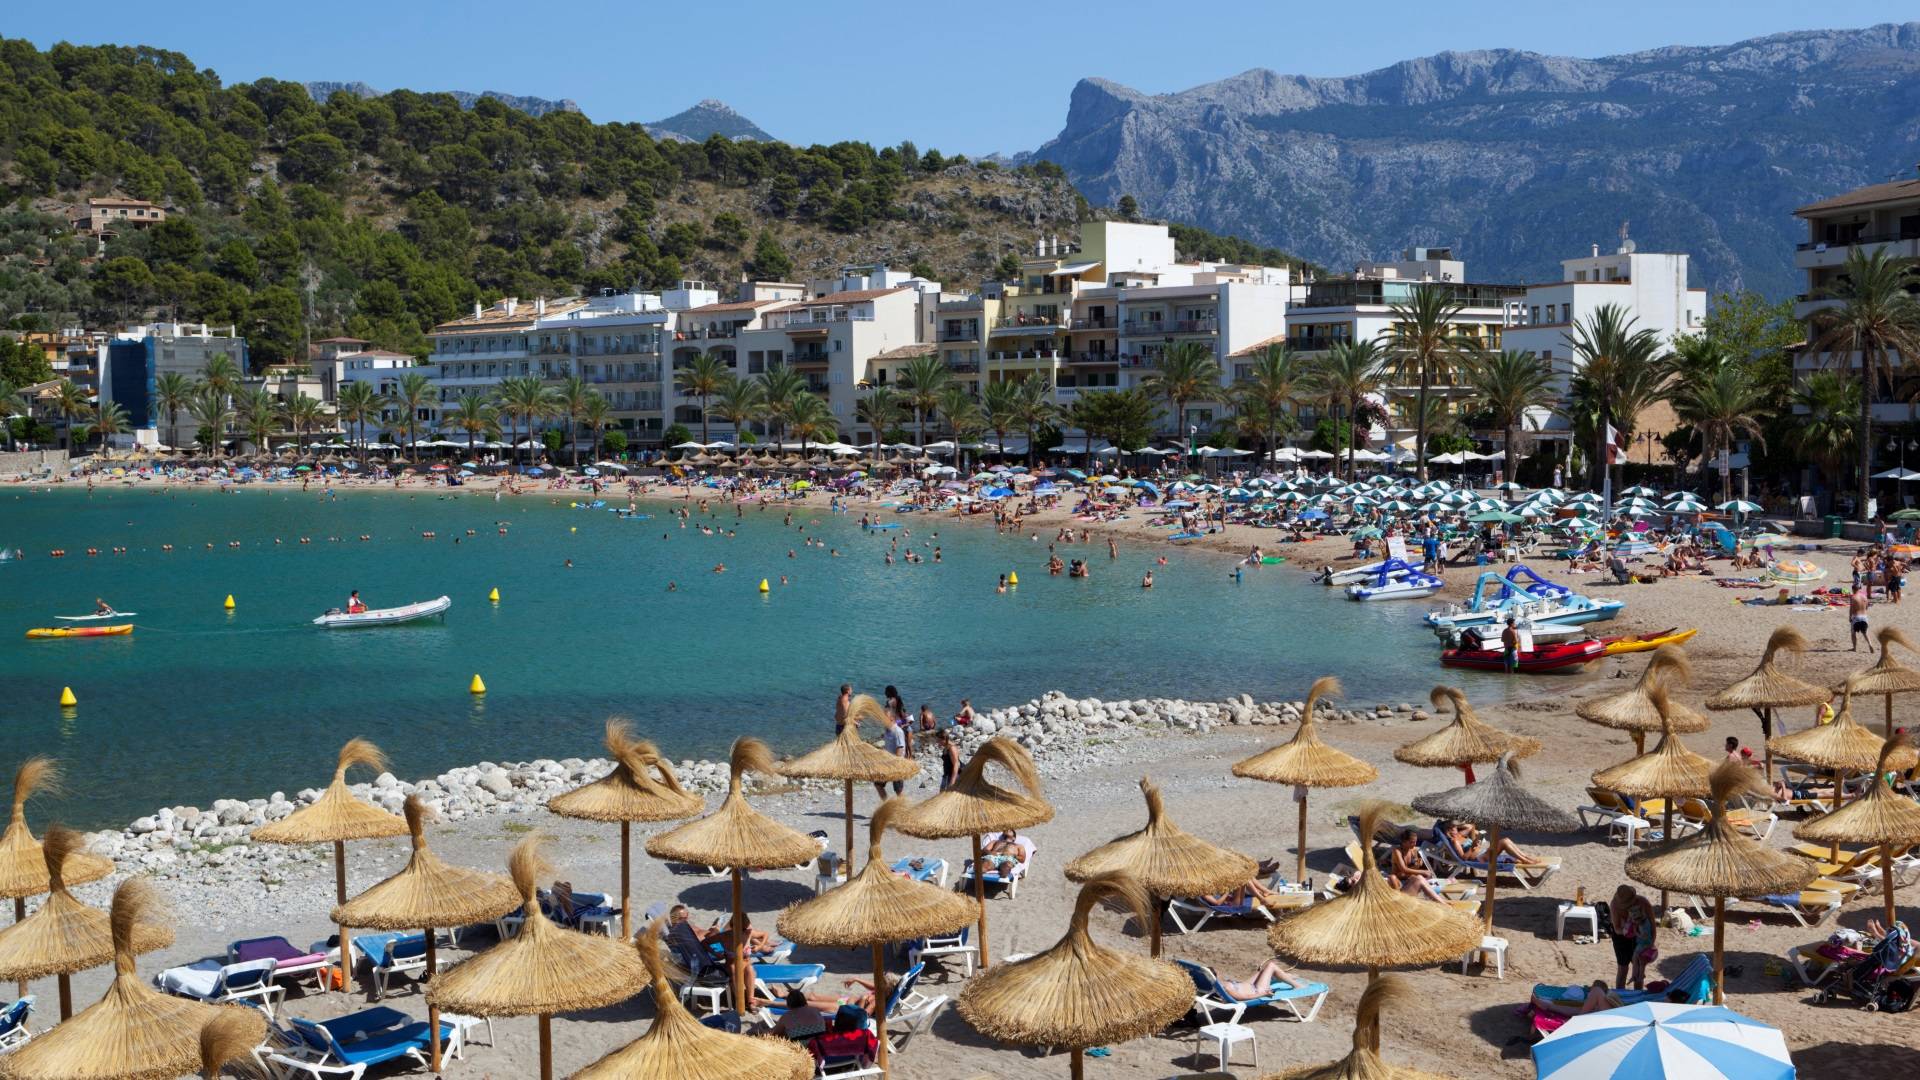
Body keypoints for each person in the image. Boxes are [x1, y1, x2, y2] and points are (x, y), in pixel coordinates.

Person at [1609, 885, 1658, 990]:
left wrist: (1651, 943)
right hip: (1621, 937)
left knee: (1639, 967)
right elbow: (1617, 928)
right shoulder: (1614, 905)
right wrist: (1626, 930)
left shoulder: (1643, 902)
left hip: (1641, 938)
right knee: (1623, 968)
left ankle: (1638, 994)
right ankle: (1621, 995)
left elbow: (1653, 926)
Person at [806, 1006, 880, 1067]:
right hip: (853, 1063)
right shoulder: (866, 1038)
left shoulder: (820, 1041)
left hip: (827, 1066)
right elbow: (867, 1063)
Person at [1388, 829, 1448, 902]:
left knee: (1422, 877)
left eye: (1415, 842)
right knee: (1393, 877)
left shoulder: (1414, 851)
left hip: (1408, 880)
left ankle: (1441, 902)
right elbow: (1403, 869)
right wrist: (1422, 871)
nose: (1414, 844)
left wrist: (1419, 864)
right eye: (1412, 842)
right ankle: (1441, 902)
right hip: (1398, 882)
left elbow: (1415, 868)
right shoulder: (1397, 851)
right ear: (1404, 842)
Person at [1215, 958, 1312, 1001]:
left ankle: (1285, 976)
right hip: (1257, 990)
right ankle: (1296, 985)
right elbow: (1242, 997)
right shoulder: (1226, 987)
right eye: (1217, 972)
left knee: (1264, 971)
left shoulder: (1218, 984)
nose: (1219, 971)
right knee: (1271, 965)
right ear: (1215, 975)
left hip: (1248, 985)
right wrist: (1263, 994)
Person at [875, 709, 910, 798]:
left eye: (885, 717)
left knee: (898, 790)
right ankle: (887, 804)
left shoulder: (897, 731)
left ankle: (903, 806)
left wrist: (893, 764)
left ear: (892, 718)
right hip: (888, 763)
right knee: (878, 784)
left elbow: (900, 748)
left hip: (897, 764)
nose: (883, 719)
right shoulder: (887, 730)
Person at [1851, 583, 1874, 652]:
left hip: (1856, 617)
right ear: (1859, 589)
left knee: (1853, 633)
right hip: (1864, 617)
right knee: (1865, 632)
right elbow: (1867, 607)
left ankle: (1854, 648)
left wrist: (1850, 617)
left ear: (1853, 589)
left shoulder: (1853, 597)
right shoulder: (1864, 597)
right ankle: (1870, 644)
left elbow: (1851, 609)